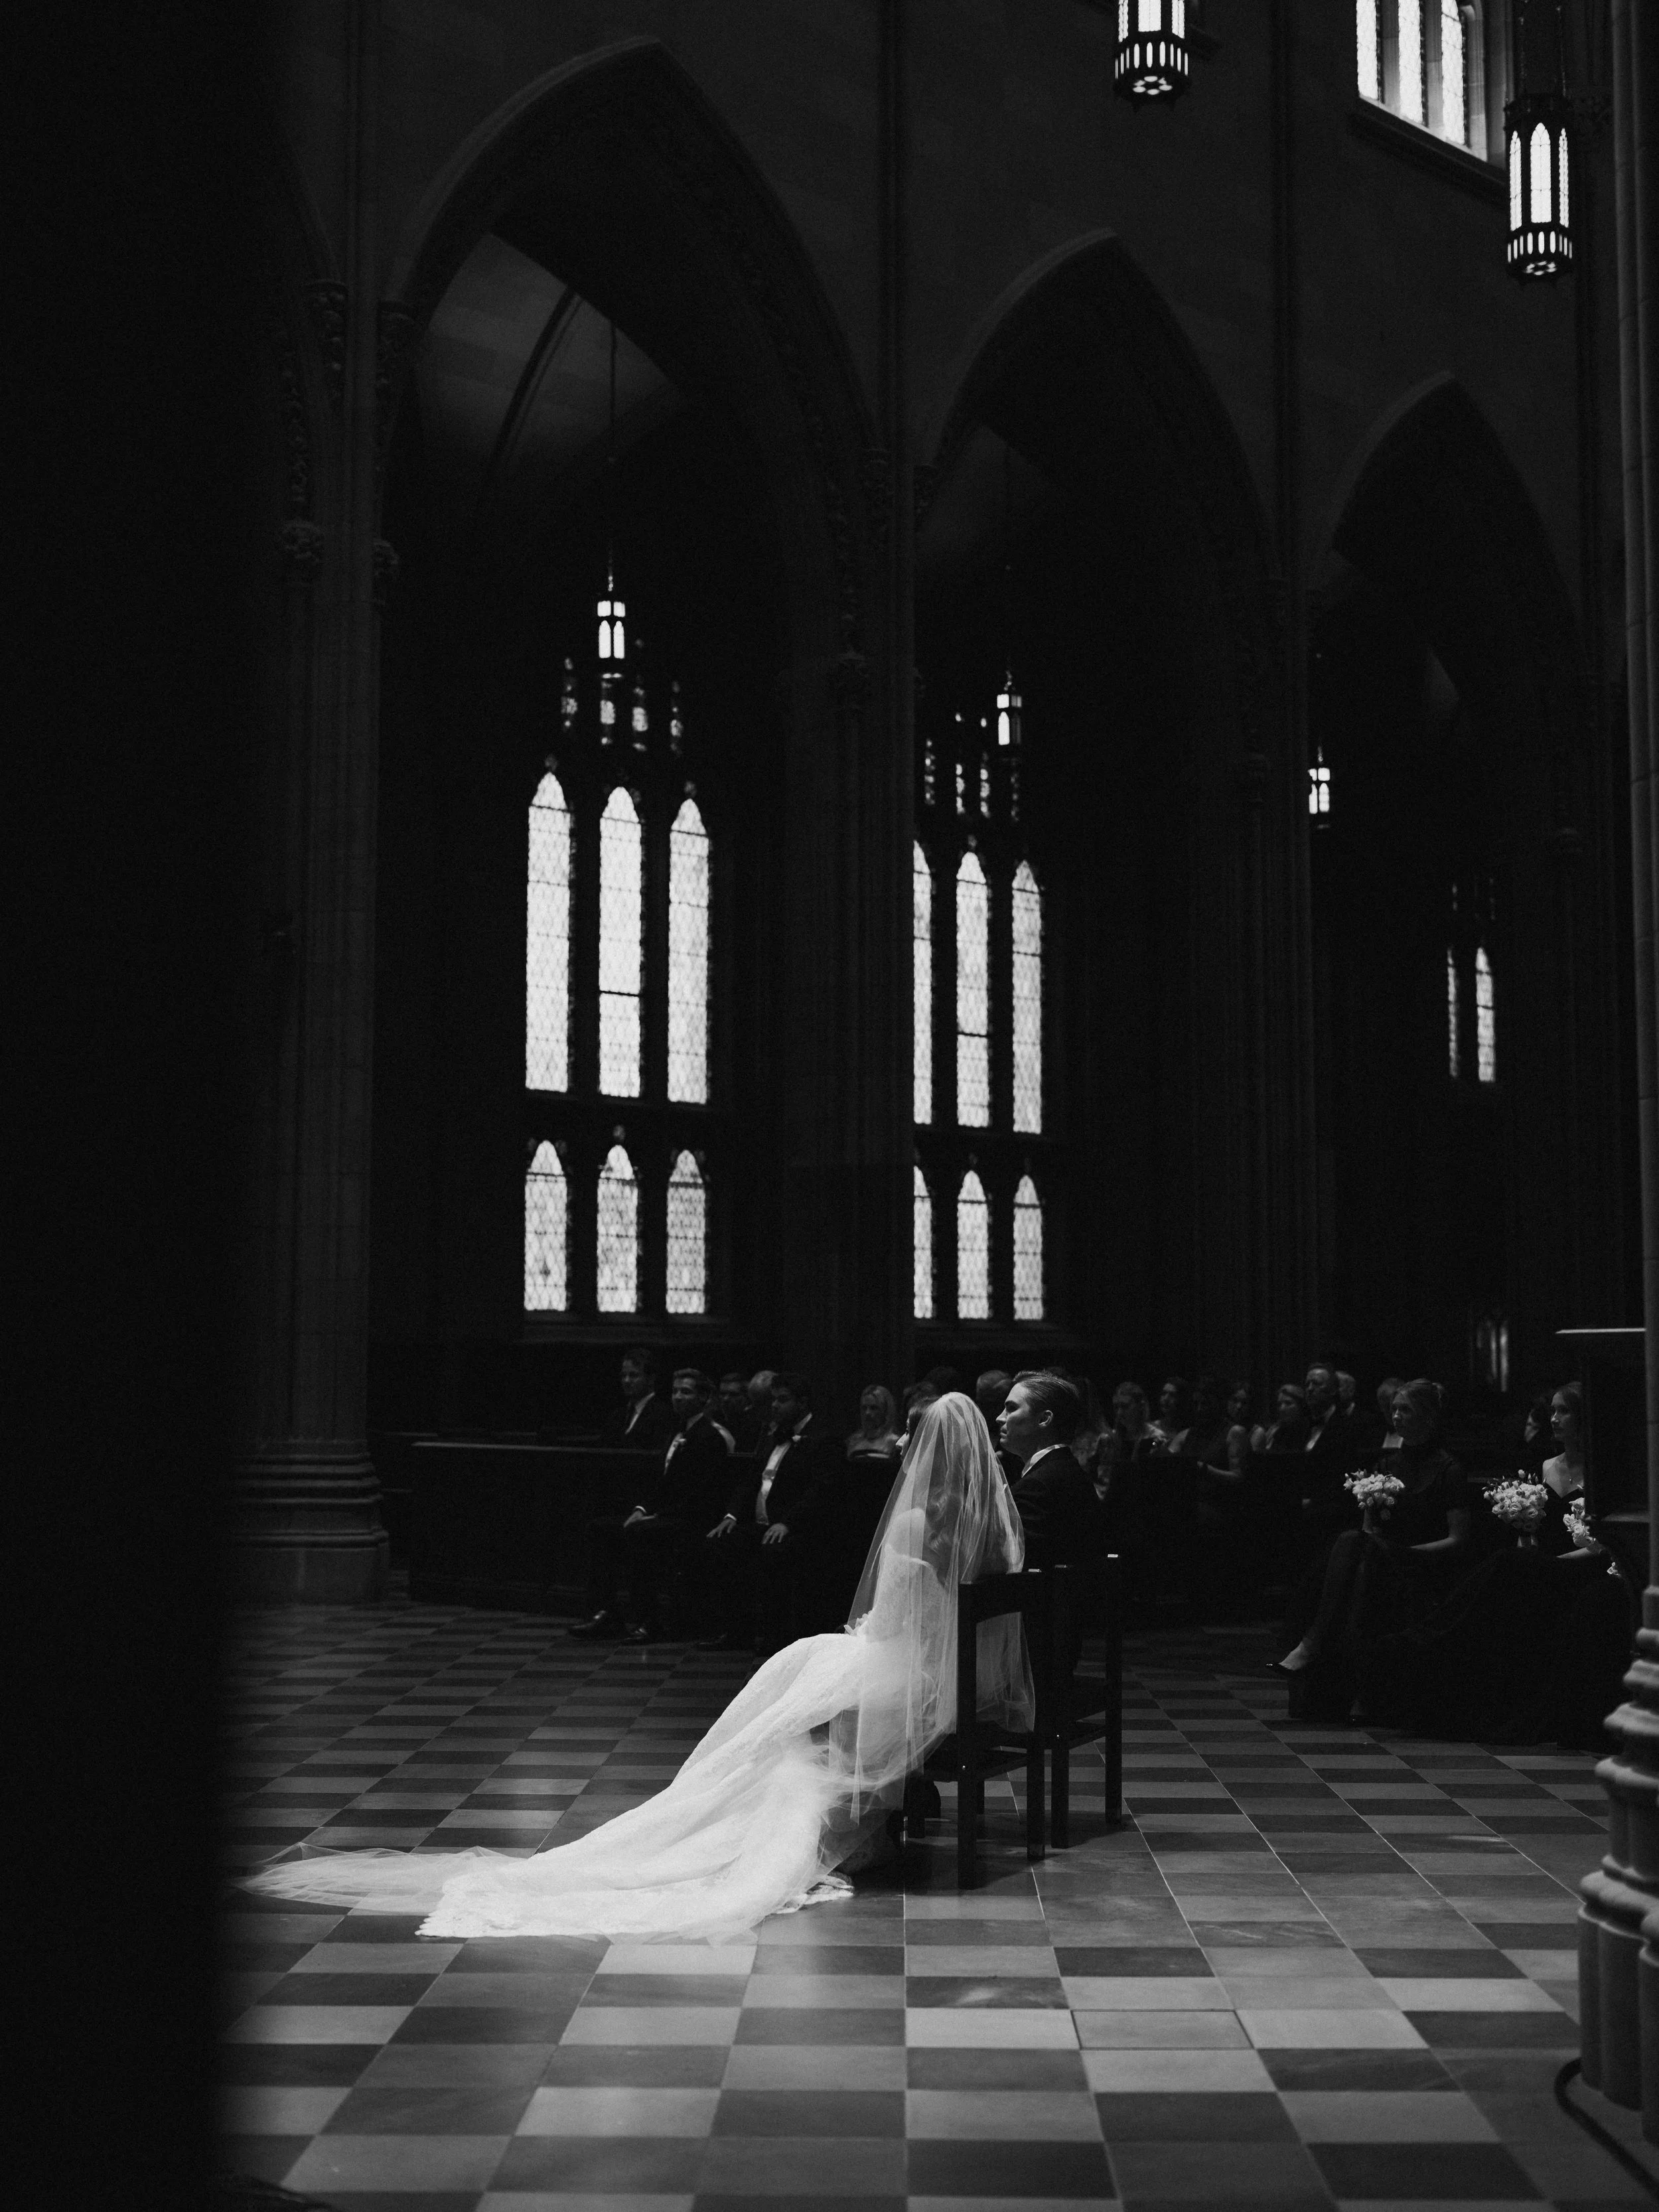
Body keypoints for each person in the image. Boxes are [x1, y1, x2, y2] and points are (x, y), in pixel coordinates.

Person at [241, 1396, 1033, 1941]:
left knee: (794, 1687)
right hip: (943, 1676)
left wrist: (859, 1634)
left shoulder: (921, 1516)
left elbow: (888, 1617)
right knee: (799, 1692)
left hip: (898, 1663)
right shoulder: (997, 1525)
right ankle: (850, 1827)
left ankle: (806, 1830)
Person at [1358, 1383, 1631, 1747]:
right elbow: (1530, 1528)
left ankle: (1427, 1636)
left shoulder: (1606, 1471)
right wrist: (1527, 1537)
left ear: (1585, 1419)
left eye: (1564, 1411)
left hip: (1584, 1567)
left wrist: (1548, 1562)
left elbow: (1607, 1543)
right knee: (1510, 1566)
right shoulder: (1545, 1465)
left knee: (1509, 1566)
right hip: (1540, 1562)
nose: (1553, 1419)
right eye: (1552, 1410)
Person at [1274, 1377, 1471, 1720]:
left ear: (1426, 1416)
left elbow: (1458, 1539)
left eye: (1405, 1410)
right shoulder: (1387, 1466)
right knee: (1355, 1548)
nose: (1395, 1417)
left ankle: (1312, 1646)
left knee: (1355, 1550)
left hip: (1421, 1563)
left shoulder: (1448, 1469)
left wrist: (1405, 1552)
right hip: (1383, 1558)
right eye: (1393, 1409)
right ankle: (1342, 1683)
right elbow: (1371, 1529)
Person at [568, 1369, 735, 1644]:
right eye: (675, 1391)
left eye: (686, 1391)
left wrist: (656, 1515)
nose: (678, 1397)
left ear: (704, 1398)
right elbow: (661, 1483)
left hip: (692, 1519)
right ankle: (606, 1612)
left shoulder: (710, 1436)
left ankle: (650, 1620)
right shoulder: (676, 1431)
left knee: (642, 1534)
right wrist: (642, 1509)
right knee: (601, 1529)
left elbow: (704, 1493)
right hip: (665, 1514)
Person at [701, 1371, 837, 1655]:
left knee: (774, 1553)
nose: (775, 1406)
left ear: (802, 1403)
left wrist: (788, 1523)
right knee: (720, 1543)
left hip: (801, 1529)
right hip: (763, 1525)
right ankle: (737, 1631)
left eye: (783, 1400)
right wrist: (732, 1516)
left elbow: (821, 1491)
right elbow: (751, 1481)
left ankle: (778, 1638)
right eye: (773, 1400)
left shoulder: (822, 1438)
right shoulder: (771, 1434)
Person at [997, 1370, 1104, 1572]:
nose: (999, 1418)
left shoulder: (1038, 1485)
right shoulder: (1064, 1469)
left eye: (1011, 1409)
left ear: (1044, 1419)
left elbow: (1013, 1563)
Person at [599, 1347, 677, 1450]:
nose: (626, 1381)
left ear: (650, 1379)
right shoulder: (617, 1416)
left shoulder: (663, 1415)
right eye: (623, 1376)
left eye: (633, 1376)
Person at [846, 1385, 901, 1462]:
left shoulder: (896, 1443)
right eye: (864, 1408)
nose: (867, 1413)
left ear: (885, 1411)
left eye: (874, 1408)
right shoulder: (854, 1442)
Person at [1252, 1381, 1309, 1454]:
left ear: (1301, 1406)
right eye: (1279, 1404)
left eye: (1288, 1403)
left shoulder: (1307, 1430)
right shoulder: (1277, 1429)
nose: (1282, 1408)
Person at [719, 1370, 763, 1453]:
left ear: (747, 1396)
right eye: (723, 1394)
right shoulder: (716, 1419)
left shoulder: (755, 1425)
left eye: (733, 1395)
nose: (726, 1399)